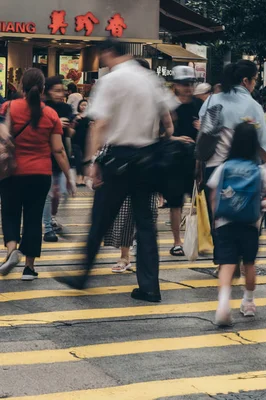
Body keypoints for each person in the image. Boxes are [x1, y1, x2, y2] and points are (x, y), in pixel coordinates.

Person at [54, 39, 174, 303]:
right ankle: (150, 287)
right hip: (147, 158)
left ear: (107, 53)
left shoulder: (112, 80)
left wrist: (92, 162)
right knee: (145, 226)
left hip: (118, 159)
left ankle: (82, 275)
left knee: (100, 220)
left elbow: (100, 124)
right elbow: (168, 124)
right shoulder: (149, 79)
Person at [208, 122, 266, 326]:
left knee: (226, 265)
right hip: (250, 224)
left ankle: (223, 305)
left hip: (225, 223)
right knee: (249, 264)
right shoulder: (260, 170)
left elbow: (213, 197)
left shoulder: (223, 167)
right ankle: (248, 302)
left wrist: (215, 220)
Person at [0, 68, 73, 280]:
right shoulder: (51, 115)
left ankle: (12, 251)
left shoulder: (8, 107)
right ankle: (29, 268)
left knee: (10, 213)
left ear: (21, 86)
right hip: (40, 173)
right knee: (33, 217)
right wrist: (69, 176)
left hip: (11, 171)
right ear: (43, 89)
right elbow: (58, 150)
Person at [197, 59, 266, 233]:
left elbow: (202, 137)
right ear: (245, 81)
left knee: (218, 219)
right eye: (255, 79)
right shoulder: (253, 106)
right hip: (245, 172)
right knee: (244, 220)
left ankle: (222, 256)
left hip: (214, 171)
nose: (255, 84)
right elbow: (264, 146)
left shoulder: (212, 101)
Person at [166, 66, 200, 257]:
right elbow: (159, 134)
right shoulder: (169, 106)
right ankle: (177, 241)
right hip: (174, 160)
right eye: (184, 84)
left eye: (190, 84)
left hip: (195, 160)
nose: (188, 88)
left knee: (198, 201)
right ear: (176, 85)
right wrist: (177, 139)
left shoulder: (198, 105)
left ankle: (196, 238)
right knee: (175, 203)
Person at [42, 76, 74, 243]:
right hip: (46, 154)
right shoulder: (43, 108)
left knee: (58, 192)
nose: (60, 94)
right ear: (47, 91)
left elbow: (70, 134)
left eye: (62, 90)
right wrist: (55, 123)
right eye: (56, 90)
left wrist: (71, 127)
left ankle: (51, 218)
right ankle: (48, 227)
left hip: (61, 154)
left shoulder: (67, 108)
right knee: (50, 193)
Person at [72, 99, 90, 186]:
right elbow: (71, 128)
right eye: (82, 105)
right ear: (79, 106)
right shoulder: (75, 116)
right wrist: (75, 120)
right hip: (76, 141)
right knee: (78, 159)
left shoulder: (90, 117)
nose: (83, 107)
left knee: (85, 160)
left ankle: (83, 178)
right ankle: (78, 178)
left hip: (86, 141)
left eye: (85, 105)